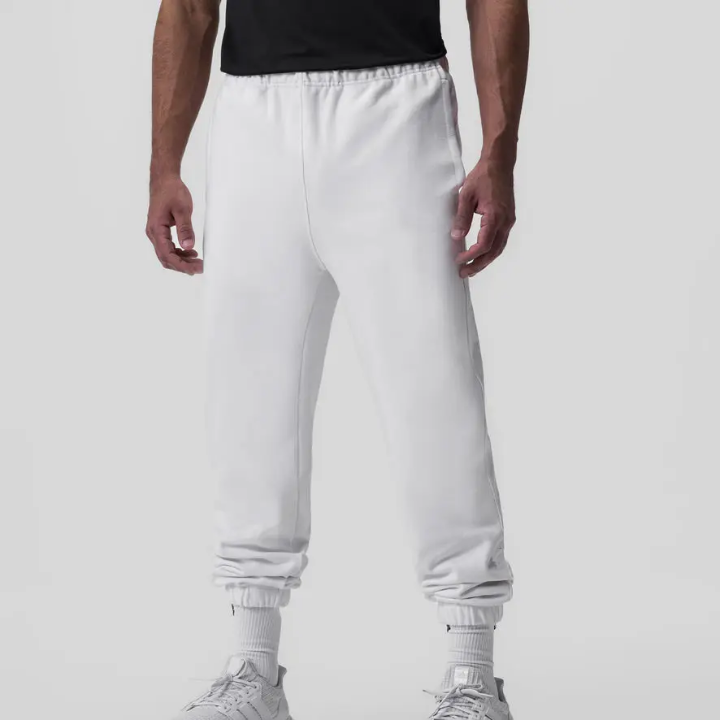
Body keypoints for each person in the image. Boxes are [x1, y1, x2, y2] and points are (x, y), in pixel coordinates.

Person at [146, 0, 529, 718]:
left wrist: (499, 151)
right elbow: (190, 7)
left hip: (396, 107)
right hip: (253, 114)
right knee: (248, 388)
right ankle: (252, 668)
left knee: (433, 386)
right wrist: (164, 162)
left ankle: (473, 673)